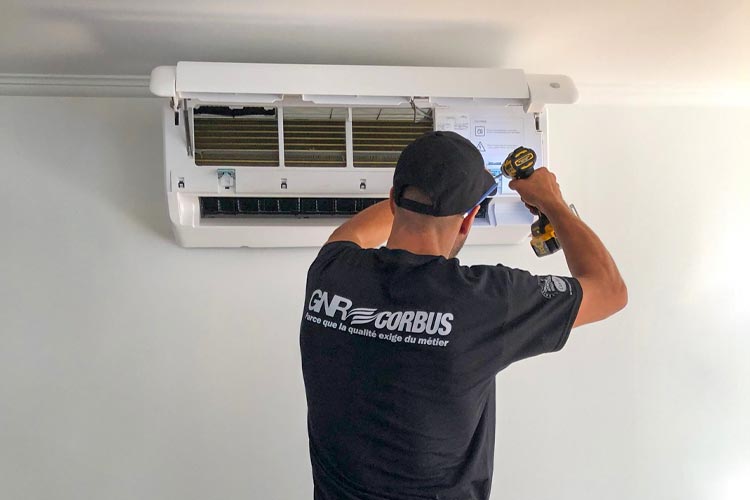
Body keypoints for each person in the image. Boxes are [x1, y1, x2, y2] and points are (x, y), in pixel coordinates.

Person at [299, 131, 627, 500]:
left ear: (392, 200)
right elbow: (609, 290)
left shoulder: (330, 272)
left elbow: (355, 232)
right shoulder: (484, 301)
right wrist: (552, 201)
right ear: (469, 220)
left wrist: (422, 198)